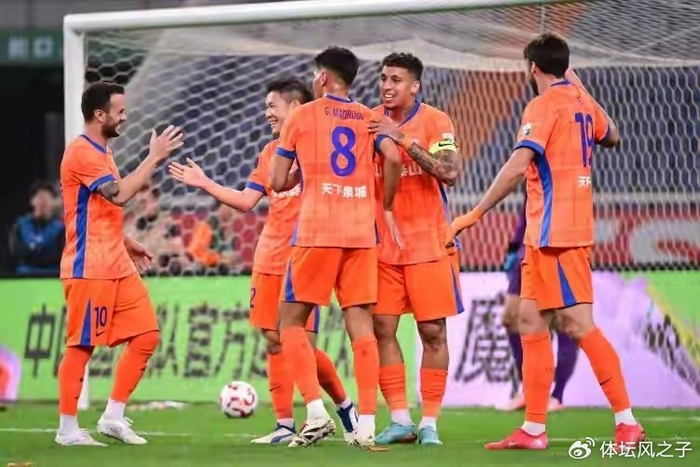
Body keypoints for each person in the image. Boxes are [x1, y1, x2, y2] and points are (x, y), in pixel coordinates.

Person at [447, 33, 645, 450]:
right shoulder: (581, 101)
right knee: (530, 321)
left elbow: (517, 165)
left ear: (532, 67)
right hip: (542, 235)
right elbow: (612, 135)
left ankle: (627, 422)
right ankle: (534, 429)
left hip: (559, 233)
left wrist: (475, 214)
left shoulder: (543, 104)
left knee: (578, 324)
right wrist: (579, 85)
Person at [168, 78, 358, 444]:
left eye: (273, 105)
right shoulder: (270, 152)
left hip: (305, 256)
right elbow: (245, 200)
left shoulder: (320, 149)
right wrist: (204, 182)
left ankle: (340, 408)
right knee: (273, 340)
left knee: (300, 342)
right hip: (269, 256)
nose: (267, 112)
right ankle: (285, 425)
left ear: (296, 108)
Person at [270, 46, 403, 448]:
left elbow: (277, 181)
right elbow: (394, 158)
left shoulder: (302, 116)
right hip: (361, 234)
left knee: (289, 323)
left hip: (317, 231)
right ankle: (366, 425)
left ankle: (314, 413)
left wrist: (302, 174)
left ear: (323, 78)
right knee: (361, 328)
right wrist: (386, 204)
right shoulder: (368, 117)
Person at [56, 81, 184, 446]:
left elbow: (99, 210)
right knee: (82, 345)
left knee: (147, 335)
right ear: (100, 115)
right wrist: (154, 156)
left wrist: (125, 242)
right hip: (89, 266)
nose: (125, 117)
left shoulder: (104, 152)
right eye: (120, 111)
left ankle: (113, 416)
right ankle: (67, 430)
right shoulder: (81, 153)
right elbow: (121, 195)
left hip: (116, 261)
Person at [366, 52, 463, 446]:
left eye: (396, 80)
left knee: (433, 332)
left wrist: (401, 137)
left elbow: (450, 172)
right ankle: (400, 420)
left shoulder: (437, 121)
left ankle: (430, 424)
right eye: (384, 78)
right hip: (383, 246)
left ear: (415, 86)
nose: (387, 86)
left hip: (428, 243)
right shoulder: (368, 121)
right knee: (382, 328)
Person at [498, 197, 578, 412]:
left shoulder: (568, 179)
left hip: (559, 247)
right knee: (511, 318)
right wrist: (514, 247)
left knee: (563, 322)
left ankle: (557, 395)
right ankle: (529, 389)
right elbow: (529, 207)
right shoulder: (532, 178)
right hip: (527, 248)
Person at [8, 181, 64, 276]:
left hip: (53, 275)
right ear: (32, 201)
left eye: (47, 197)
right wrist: (42, 253)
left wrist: (35, 253)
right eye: (40, 197)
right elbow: (15, 251)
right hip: (24, 274)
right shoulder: (20, 225)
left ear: (53, 202)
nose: (43, 201)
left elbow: (61, 254)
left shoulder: (61, 227)